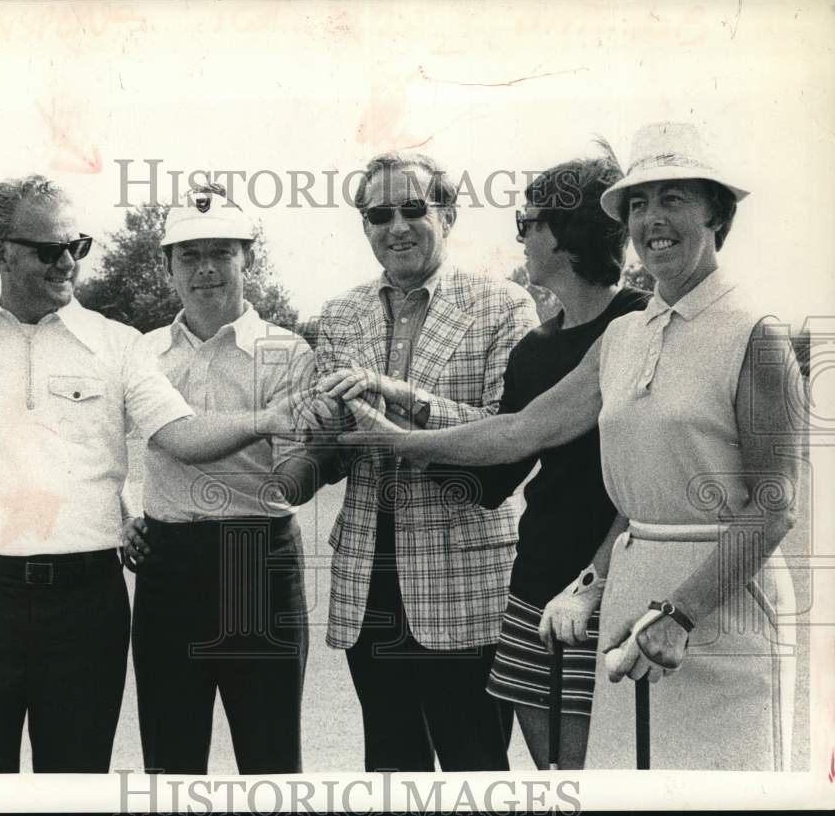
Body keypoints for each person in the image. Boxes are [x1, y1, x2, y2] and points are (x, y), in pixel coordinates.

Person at [341, 123, 803, 771]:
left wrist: (681, 612)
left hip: (720, 608)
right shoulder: (622, 339)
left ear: (717, 212)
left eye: (674, 199)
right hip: (626, 599)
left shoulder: (757, 334)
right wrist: (396, 438)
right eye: (639, 203)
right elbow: (519, 430)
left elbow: (775, 506)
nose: (652, 219)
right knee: (616, 789)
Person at [0, 175, 299, 774]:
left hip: (85, 608)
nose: (67, 264)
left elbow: (182, 437)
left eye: (76, 247)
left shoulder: (119, 345)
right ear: (1, 250)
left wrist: (270, 417)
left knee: (77, 790)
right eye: (50, 250)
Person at [293, 151, 539, 772]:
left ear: (449, 215)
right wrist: (322, 431)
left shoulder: (505, 306)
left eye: (413, 209)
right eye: (379, 214)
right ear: (365, 226)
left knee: (475, 766)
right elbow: (338, 453)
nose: (396, 226)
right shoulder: (341, 313)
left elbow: (512, 436)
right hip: (368, 579)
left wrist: (404, 405)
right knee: (391, 767)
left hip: (465, 575)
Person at [423, 144, 649, 769]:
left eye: (528, 223)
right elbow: (494, 476)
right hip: (533, 587)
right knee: (554, 784)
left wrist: (399, 431)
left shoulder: (643, 323)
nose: (521, 239)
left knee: (604, 785)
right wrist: (387, 432)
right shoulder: (533, 350)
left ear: (567, 233)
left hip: (613, 590)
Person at [120, 185, 313, 774]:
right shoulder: (142, 352)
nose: (205, 269)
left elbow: (297, 465)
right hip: (167, 561)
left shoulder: (287, 351)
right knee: (171, 765)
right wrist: (124, 514)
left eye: (221, 252)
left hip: (255, 559)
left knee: (270, 759)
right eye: (188, 254)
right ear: (168, 265)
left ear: (247, 257)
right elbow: (117, 452)